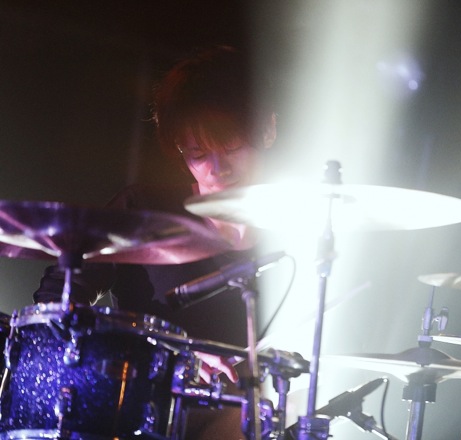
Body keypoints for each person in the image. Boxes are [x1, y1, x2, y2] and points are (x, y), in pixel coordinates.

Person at [32, 45, 278, 439]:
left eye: (230, 144)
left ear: (267, 129)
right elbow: (57, 301)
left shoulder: (297, 229)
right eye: (197, 152)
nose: (216, 168)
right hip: (145, 417)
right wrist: (180, 356)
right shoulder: (145, 210)